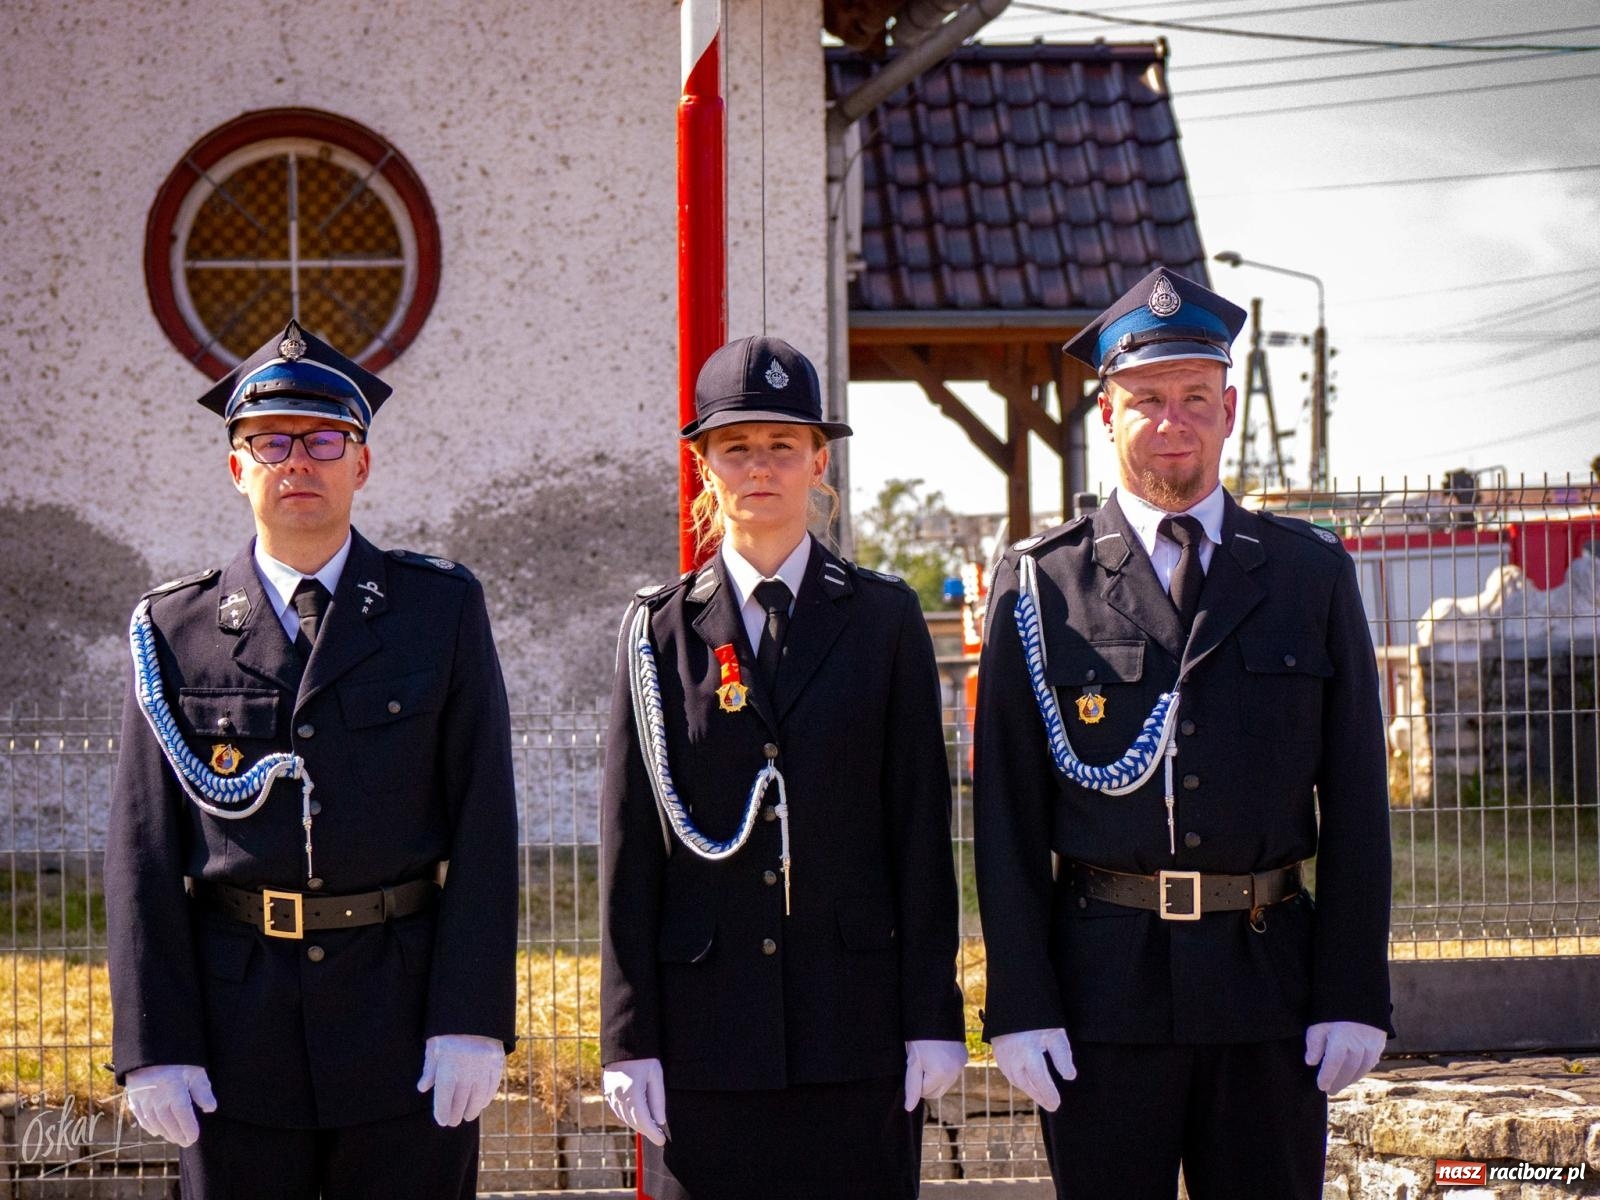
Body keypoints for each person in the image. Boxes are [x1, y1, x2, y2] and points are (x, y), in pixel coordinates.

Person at [973, 268, 1393, 1200]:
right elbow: (1005, 815)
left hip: (1268, 987)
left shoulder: (1307, 574)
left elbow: (1360, 799)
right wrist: (1021, 1004)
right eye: (1147, 399)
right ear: (1108, 413)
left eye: (1194, 397)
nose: (1173, 421)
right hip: (1099, 999)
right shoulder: (1043, 585)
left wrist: (1353, 990)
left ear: (1230, 407)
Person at [105, 320, 519, 1200]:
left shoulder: (436, 609)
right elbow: (141, 851)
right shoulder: (174, 633)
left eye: (326, 439)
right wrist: (155, 1042)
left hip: (403, 1025)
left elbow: (486, 821)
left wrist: (471, 1021)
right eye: (271, 441)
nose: (300, 460)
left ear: (360, 464)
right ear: (237, 469)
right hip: (232, 1032)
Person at [599, 335, 967, 1200]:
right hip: (704, 1037)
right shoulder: (657, 635)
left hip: (857, 1026)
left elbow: (919, 830)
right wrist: (628, 1036)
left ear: (818, 461)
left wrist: (932, 1016)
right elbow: (629, 845)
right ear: (703, 465)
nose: (758, 467)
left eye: (781, 446)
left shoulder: (881, 620)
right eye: (736, 447)